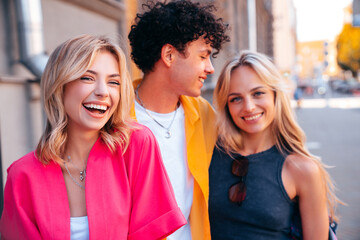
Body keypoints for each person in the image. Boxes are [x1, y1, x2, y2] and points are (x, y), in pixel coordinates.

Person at [0, 34, 186, 239]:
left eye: (113, 82)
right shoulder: (22, 175)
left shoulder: (136, 145)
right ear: (60, 85)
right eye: (87, 78)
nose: (102, 92)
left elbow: (152, 233)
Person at [209, 51, 340, 239]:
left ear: (275, 95)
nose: (249, 107)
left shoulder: (301, 169)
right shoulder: (210, 154)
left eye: (258, 93)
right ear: (226, 105)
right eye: (236, 98)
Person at [128, 1, 229, 239]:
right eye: (203, 56)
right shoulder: (116, 119)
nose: (210, 68)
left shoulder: (204, 114)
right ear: (169, 55)